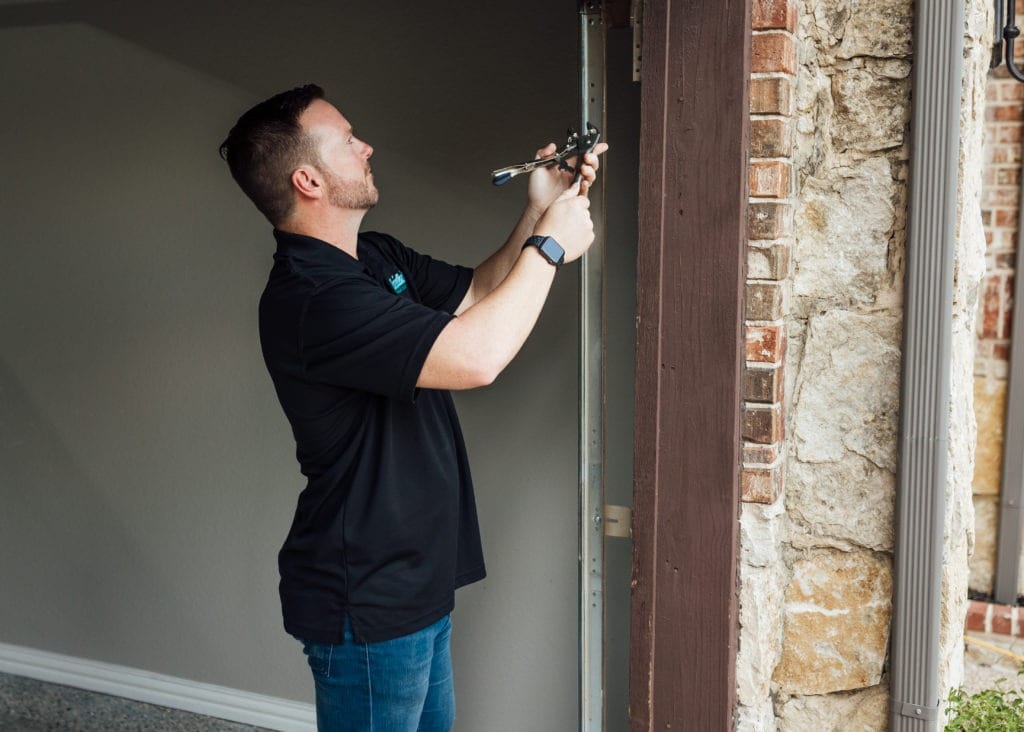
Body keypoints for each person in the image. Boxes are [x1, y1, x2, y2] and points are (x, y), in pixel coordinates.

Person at [219, 84, 606, 731]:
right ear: (308, 178)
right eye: (347, 139)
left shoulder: (375, 258)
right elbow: (477, 356)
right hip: (366, 597)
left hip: (414, 582)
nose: (366, 145)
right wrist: (552, 247)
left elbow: (478, 291)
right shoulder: (312, 299)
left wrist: (540, 213)